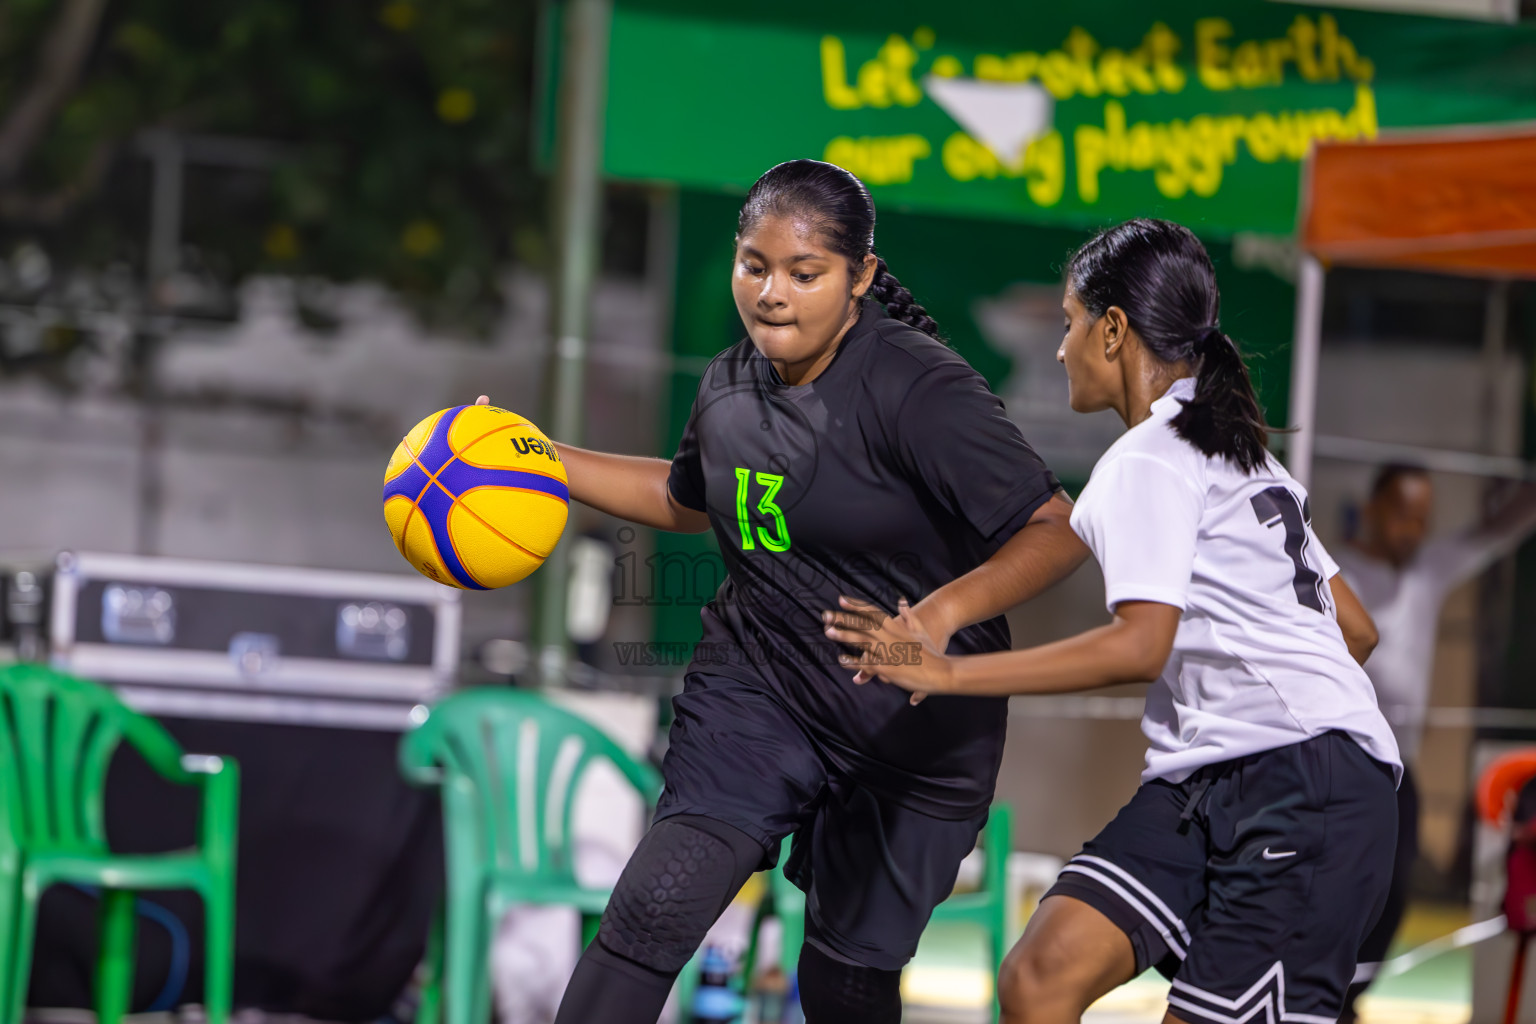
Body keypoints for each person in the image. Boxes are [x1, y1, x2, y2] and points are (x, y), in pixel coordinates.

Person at [483, 159, 1090, 1024]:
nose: (772, 292)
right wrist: (536, 456)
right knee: (651, 910)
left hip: (907, 728)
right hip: (758, 693)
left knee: (842, 985)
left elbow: (1057, 527)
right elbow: (686, 501)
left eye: (804, 274)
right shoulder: (729, 383)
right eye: (754, 266)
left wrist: (940, 617)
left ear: (860, 279)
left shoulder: (919, 388)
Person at [826, 218, 1403, 1024]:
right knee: (1040, 976)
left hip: (1301, 794)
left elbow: (1142, 644)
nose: (1061, 348)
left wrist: (949, 671)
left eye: (1068, 324)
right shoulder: (1238, 452)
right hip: (1211, 784)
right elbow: (1357, 632)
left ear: (1113, 329)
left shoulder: (1148, 458)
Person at [1334, 464, 1536, 1019]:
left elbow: (1496, 532)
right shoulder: (1335, 570)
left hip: (1400, 770)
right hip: (1339, 765)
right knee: (1337, 890)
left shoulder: (1426, 571)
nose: (1413, 531)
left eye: (1423, 520)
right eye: (1402, 515)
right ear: (1372, 509)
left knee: (1394, 895)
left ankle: (1346, 999)